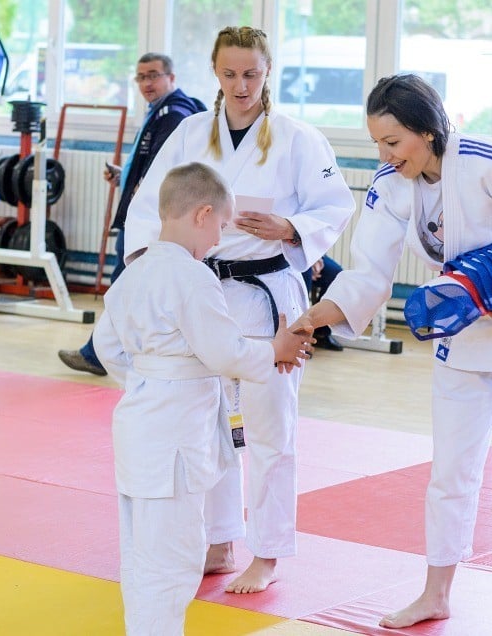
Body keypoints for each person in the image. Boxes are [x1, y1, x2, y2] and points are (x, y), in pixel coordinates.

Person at [290, 74, 492, 635]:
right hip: (461, 338)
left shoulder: (489, 163)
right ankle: (436, 592)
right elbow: (370, 270)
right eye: (377, 142)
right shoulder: (393, 183)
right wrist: (314, 316)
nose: (383, 154)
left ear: (428, 131)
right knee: (449, 473)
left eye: (393, 142)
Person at [123, 27, 355, 594]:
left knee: (270, 425)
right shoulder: (189, 133)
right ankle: (220, 537)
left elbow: (335, 204)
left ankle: (269, 550)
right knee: (208, 422)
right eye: (229, 74)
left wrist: (291, 227)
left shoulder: (298, 139)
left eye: (251, 73)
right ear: (215, 74)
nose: (240, 85)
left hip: (269, 293)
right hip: (203, 292)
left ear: (268, 71)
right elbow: (150, 205)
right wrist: (152, 272)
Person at [92, 162, 313, 635]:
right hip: (174, 431)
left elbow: (107, 347)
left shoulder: (132, 273)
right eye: (219, 227)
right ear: (203, 214)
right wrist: (276, 349)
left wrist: (151, 376)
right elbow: (224, 352)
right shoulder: (192, 277)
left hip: (139, 420)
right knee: (174, 558)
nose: (217, 241)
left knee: (141, 551)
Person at [59, 52, 207, 376]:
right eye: (140, 77)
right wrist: (123, 177)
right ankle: (104, 352)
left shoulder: (173, 115)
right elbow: (148, 168)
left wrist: (141, 195)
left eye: (153, 75)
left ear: (172, 78)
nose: (146, 84)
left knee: (124, 288)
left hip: (147, 221)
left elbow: (162, 172)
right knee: (130, 289)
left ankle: (98, 354)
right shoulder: (163, 113)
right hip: (149, 216)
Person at [302, 255, 344, 351]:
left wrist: (316, 257)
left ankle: (321, 333)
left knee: (336, 273)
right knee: (306, 273)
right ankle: (299, 338)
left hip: (311, 252)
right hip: (290, 254)